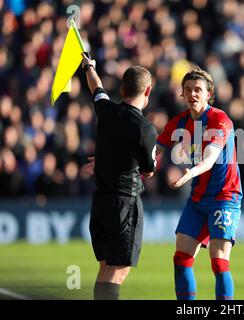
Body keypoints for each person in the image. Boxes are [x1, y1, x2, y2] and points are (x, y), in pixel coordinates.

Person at [83, 67, 243, 300]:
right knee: (181, 259)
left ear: (209, 94)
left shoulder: (220, 120)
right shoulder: (179, 122)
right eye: (187, 90)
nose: (192, 94)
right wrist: (111, 157)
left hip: (225, 198)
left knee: (219, 261)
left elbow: (209, 159)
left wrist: (188, 175)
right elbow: (150, 151)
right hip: (198, 199)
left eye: (198, 90)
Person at [81, 53, 158, 300]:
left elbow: (97, 87)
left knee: (105, 268)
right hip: (125, 203)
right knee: (117, 271)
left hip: (100, 202)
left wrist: (89, 67)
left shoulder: (106, 111)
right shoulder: (145, 129)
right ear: (147, 92)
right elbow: (148, 169)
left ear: (123, 88)